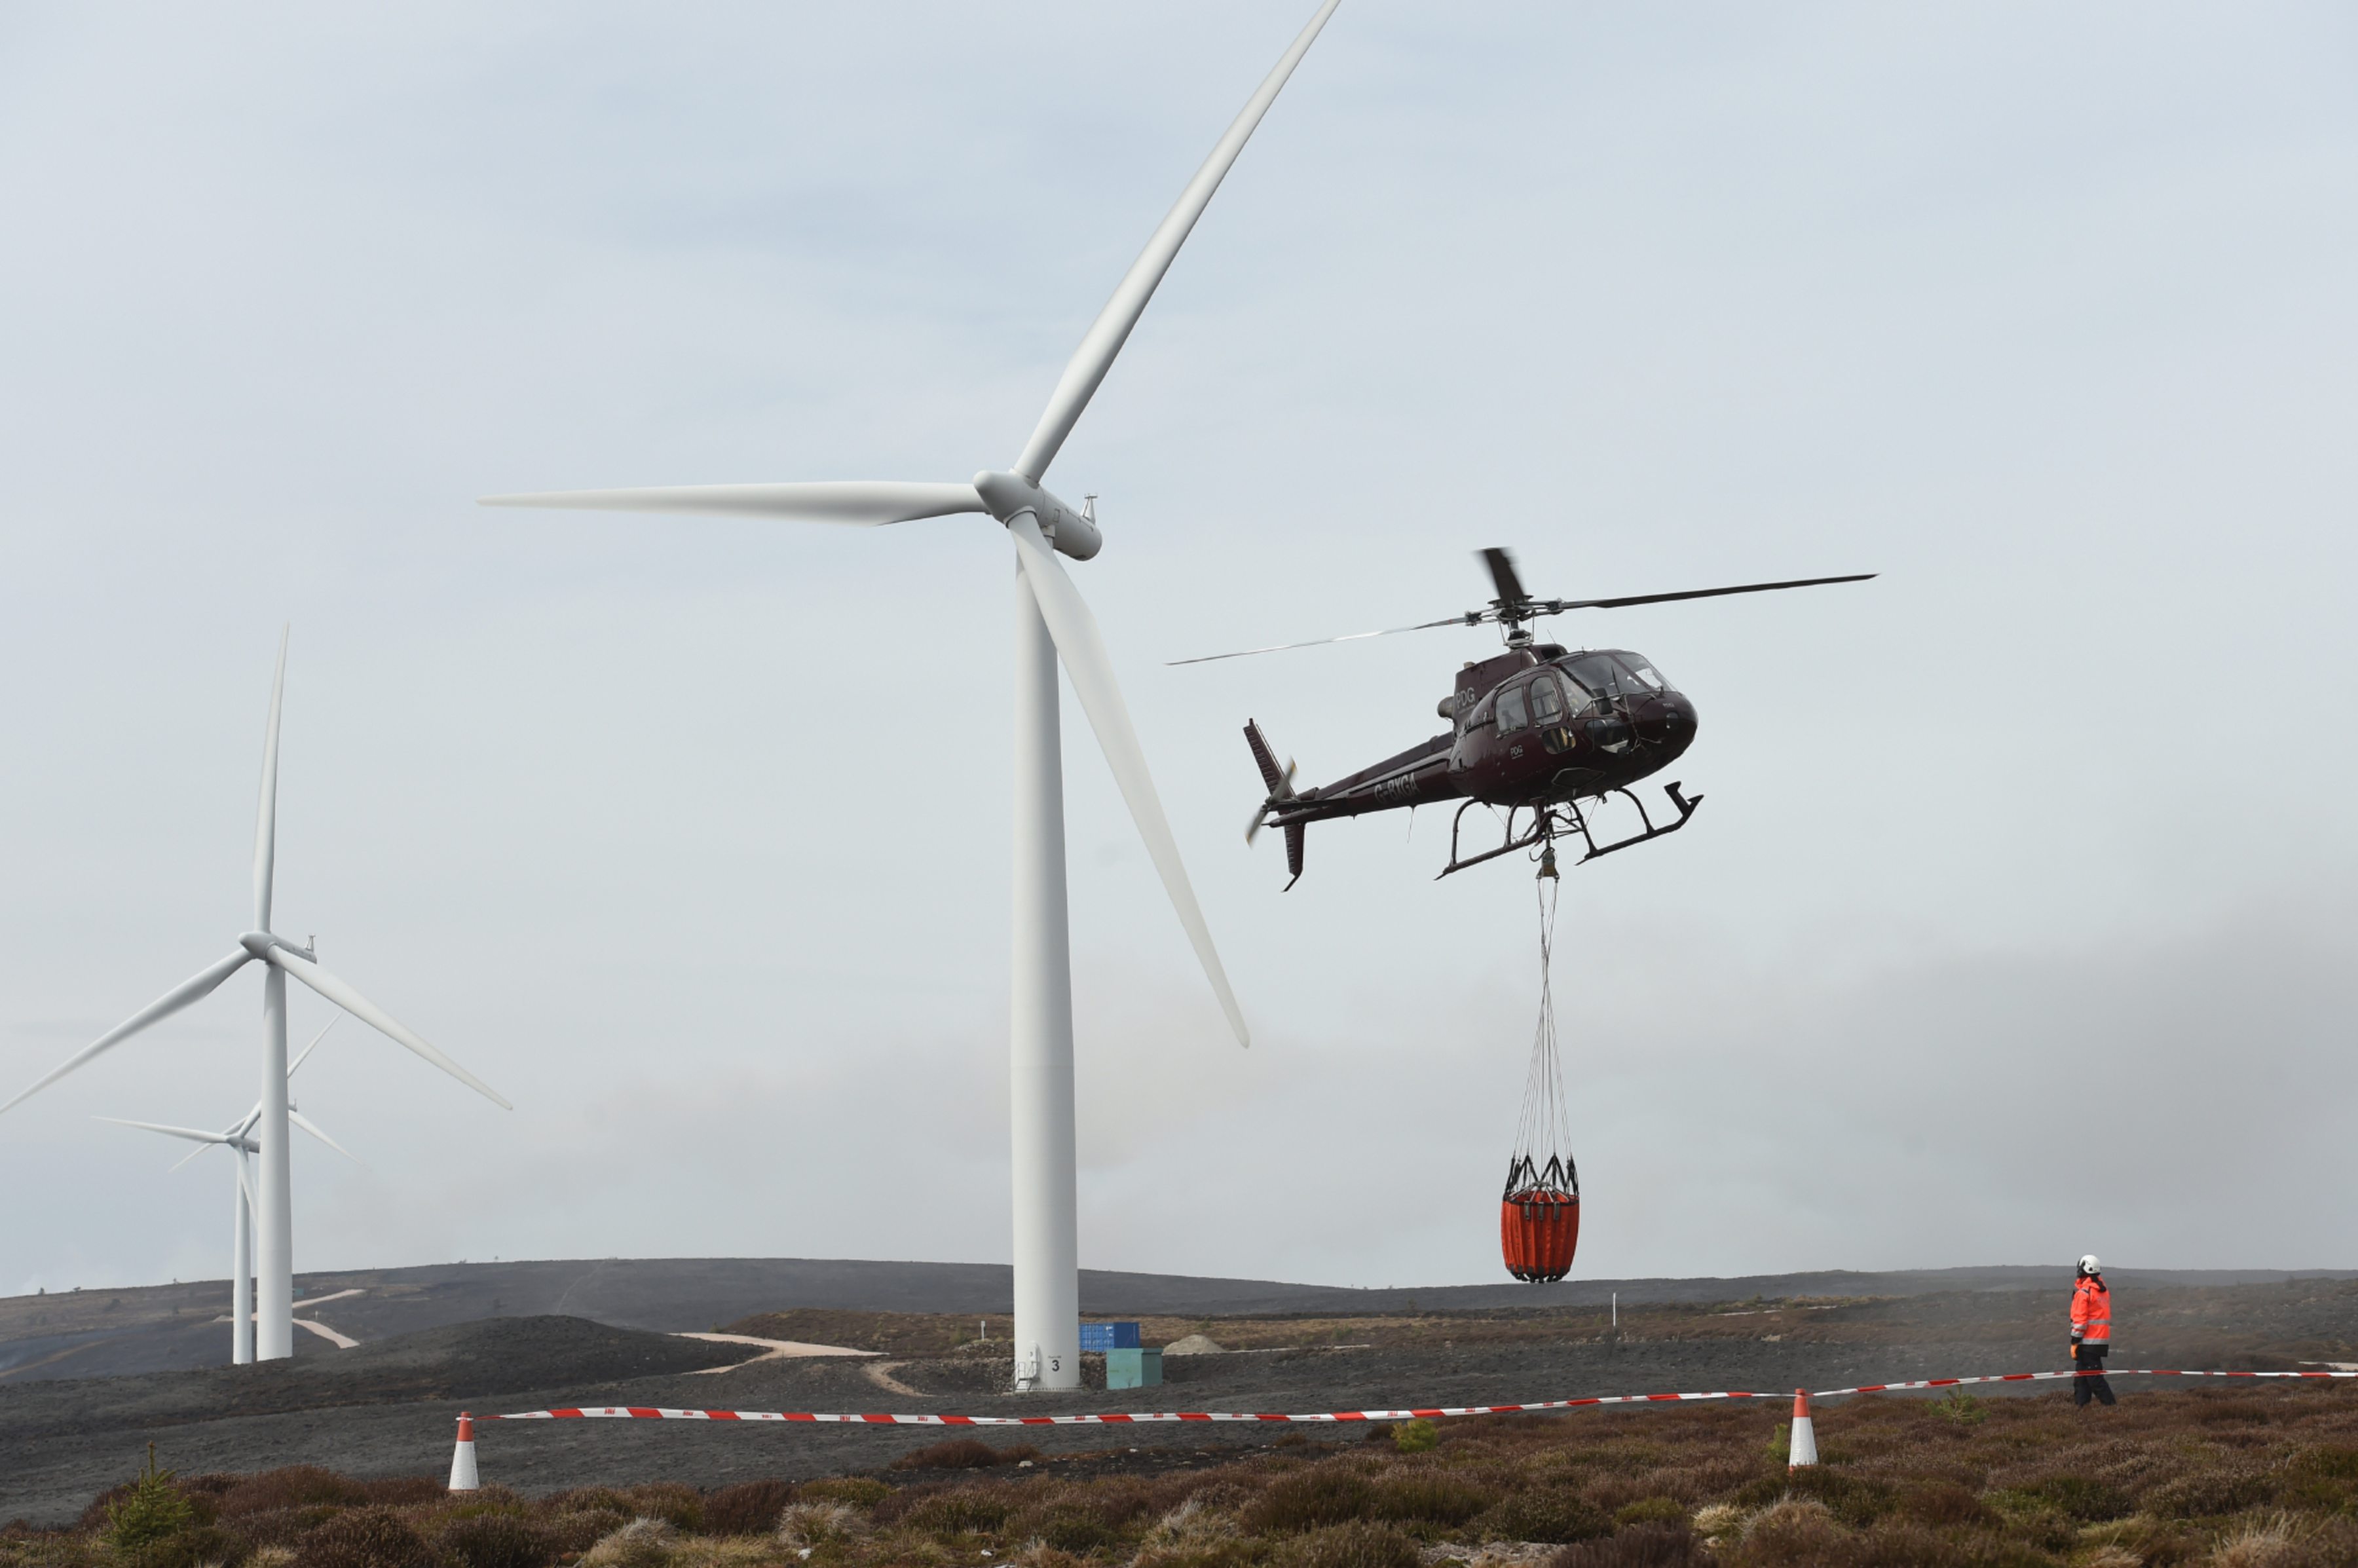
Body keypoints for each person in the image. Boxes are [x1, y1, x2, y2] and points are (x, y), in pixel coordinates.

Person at [2070, 1254, 2115, 1407]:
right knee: (2081, 1378)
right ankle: (2082, 1408)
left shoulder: (2084, 1293)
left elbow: (2080, 1322)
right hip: (2099, 1341)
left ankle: (2111, 1407)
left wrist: (2074, 1340)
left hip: (2087, 1342)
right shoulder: (2102, 1291)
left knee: (2094, 1379)